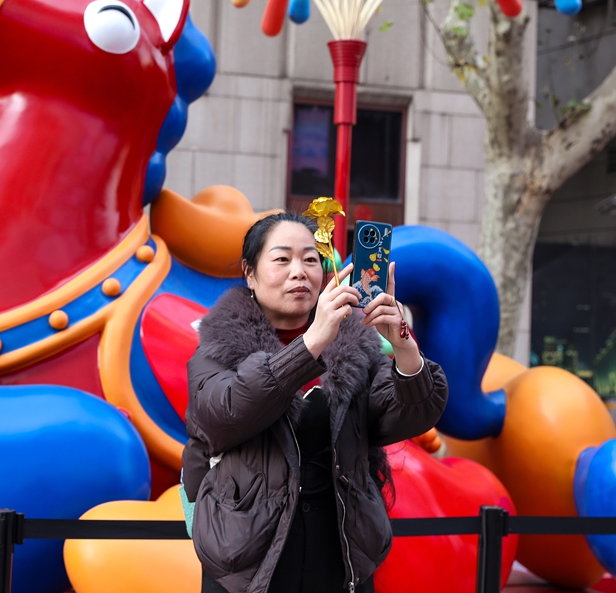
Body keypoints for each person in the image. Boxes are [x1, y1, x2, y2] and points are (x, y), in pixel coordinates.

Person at [183, 212, 448, 593]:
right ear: (250, 273)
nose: (299, 272)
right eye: (282, 258)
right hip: (247, 560)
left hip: (341, 554)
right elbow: (224, 415)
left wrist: (404, 346)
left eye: (310, 259)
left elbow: (404, 416)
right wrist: (312, 343)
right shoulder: (218, 347)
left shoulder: (355, 345)